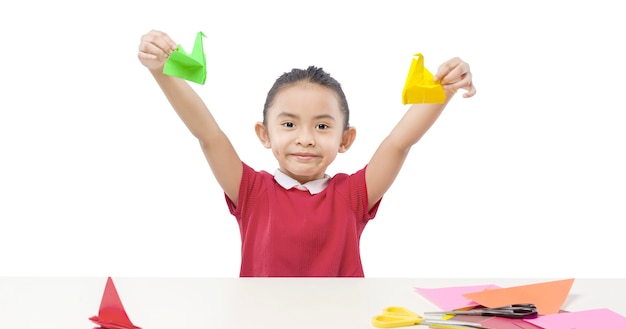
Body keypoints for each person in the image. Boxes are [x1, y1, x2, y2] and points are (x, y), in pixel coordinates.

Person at [137, 30, 476, 278]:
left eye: (322, 127)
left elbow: (399, 143)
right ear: (264, 134)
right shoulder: (251, 191)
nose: (306, 139)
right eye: (288, 124)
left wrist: (443, 90)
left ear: (346, 140)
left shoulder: (353, 195)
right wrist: (160, 70)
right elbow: (208, 134)